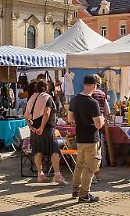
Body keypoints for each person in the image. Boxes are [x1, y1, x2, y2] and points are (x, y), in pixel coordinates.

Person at [68, 75, 104, 203]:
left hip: (80, 138)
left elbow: (70, 119)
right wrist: (103, 119)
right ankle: (84, 194)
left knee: (79, 166)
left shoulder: (74, 100)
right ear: (94, 86)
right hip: (91, 138)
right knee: (91, 167)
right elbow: (98, 125)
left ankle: (75, 190)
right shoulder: (93, 103)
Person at [24, 80, 66, 185]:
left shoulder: (31, 98)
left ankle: (40, 174)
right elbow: (47, 113)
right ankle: (57, 175)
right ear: (46, 88)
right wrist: (42, 127)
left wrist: (31, 127)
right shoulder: (47, 97)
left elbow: (25, 115)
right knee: (54, 150)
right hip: (46, 128)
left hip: (34, 128)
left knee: (37, 151)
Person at [91, 74, 110, 183]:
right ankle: (96, 174)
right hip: (98, 125)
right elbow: (107, 111)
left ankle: (93, 175)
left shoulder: (87, 95)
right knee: (96, 151)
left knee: (89, 153)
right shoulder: (102, 94)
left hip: (87, 125)